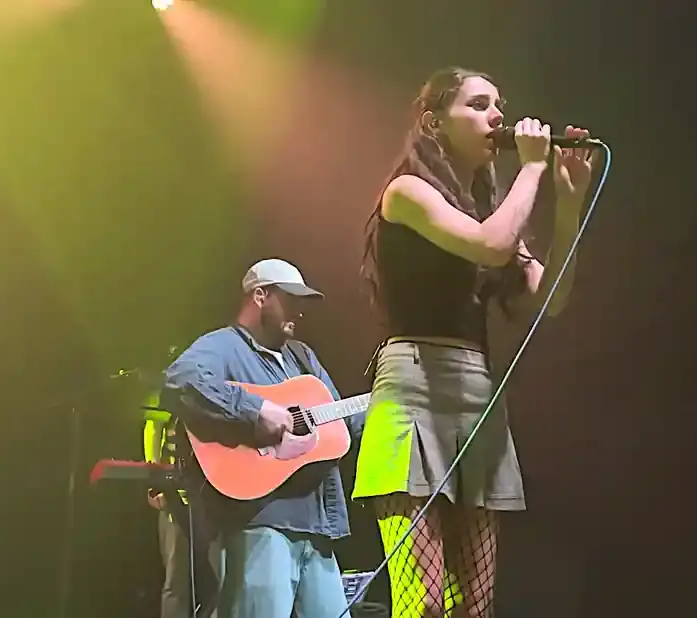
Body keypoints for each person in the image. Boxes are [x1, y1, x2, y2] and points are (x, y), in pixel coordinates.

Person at [354, 67, 595, 616]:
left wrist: (568, 202)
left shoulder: (491, 210)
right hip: (413, 387)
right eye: (479, 104)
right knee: (423, 601)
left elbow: (551, 298)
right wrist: (531, 167)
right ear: (434, 122)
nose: (497, 116)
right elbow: (490, 246)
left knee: (475, 603)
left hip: (476, 391)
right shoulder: (406, 192)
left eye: (498, 104)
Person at [160, 258, 364, 618]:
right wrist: (255, 410)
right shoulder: (224, 345)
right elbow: (181, 381)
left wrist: (393, 406)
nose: (299, 311)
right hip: (260, 523)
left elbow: (339, 422)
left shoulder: (303, 357)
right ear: (260, 296)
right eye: (290, 300)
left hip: (317, 528)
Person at [143, 386, 222, 618]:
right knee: (177, 578)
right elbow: (153, 425)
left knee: (219, 579)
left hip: (214, 498)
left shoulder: (218, 385)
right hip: (177, 496)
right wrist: (156, 482)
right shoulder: (168, 387)